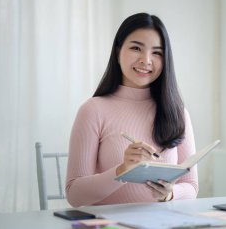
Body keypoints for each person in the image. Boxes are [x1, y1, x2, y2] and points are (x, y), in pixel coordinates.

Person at [65, 13, 198, 207]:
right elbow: (74, 195)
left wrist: (171, 193)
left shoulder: (177, 112)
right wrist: (123, 170)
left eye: (157, 53)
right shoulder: (92, 110)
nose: (146, 60)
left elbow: (191, 186)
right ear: (118, 52)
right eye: (136, 48)